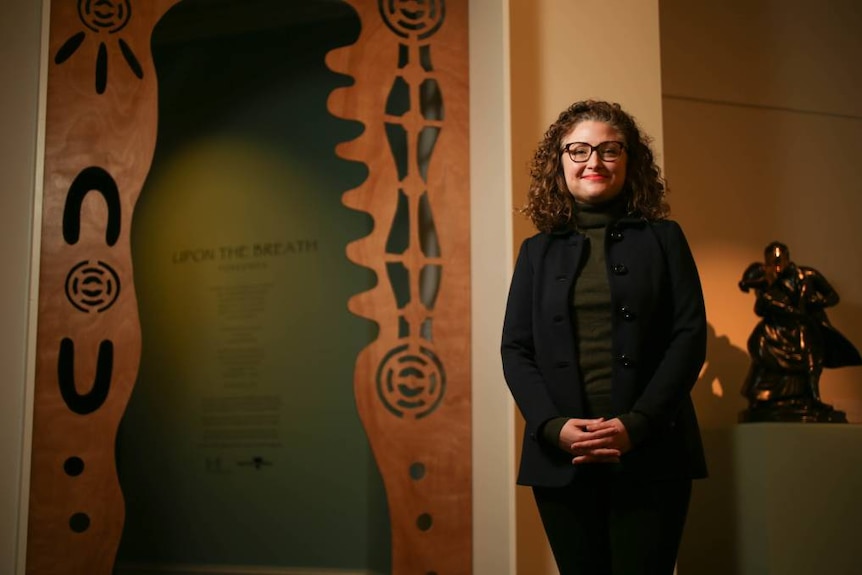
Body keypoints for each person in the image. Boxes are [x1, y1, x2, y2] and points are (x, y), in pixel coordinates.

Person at [501, 99, 708, 575]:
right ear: (560, 163)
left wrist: (638, 424)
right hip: (560, 456)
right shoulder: (536, 251)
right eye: (578, 150)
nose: (593, 161)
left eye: (609, 150)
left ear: (629, 163)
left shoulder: (665, 238)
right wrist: (553, 428)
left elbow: (689, 336)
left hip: (652, 451)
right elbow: (516, 349)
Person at [738, 241, 860, 420]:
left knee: (810, 359)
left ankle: (812, 397)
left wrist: (816, 303)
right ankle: (764, 398)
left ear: (788, 258)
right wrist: (749, 283)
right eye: (771, 263)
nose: (776, 267)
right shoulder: (768, 277)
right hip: (777, 328)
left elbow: (833, 296)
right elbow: (750, 286)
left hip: (803, 325)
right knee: (762, 349)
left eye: (778, 261)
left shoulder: (807, 275)